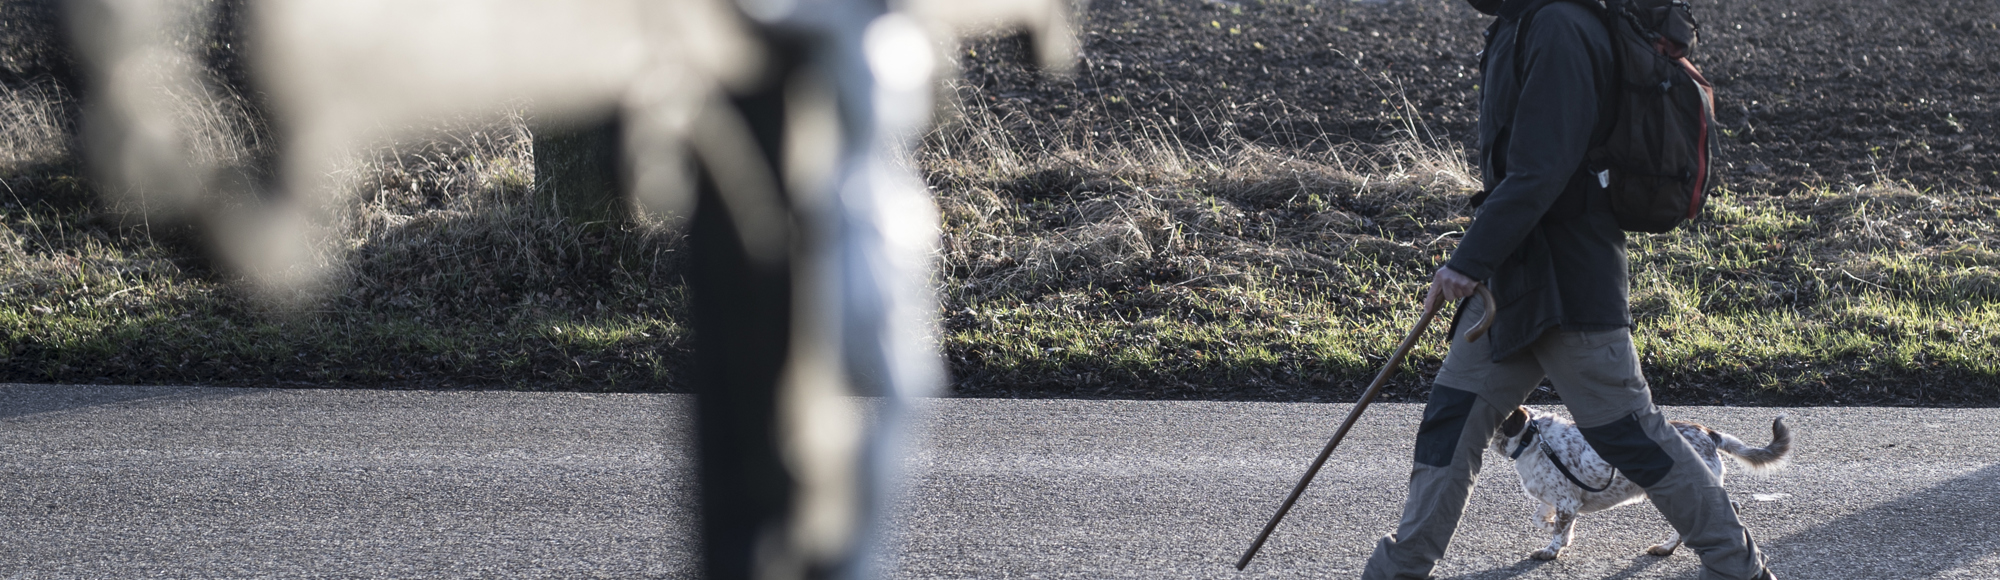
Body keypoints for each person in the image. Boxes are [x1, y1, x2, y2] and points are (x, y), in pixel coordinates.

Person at [1357, 0, 1776, 579]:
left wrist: (1468, 260)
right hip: (1512, 280)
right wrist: (1485, 259)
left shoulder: (1561, 27)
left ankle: (1740, 569)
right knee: (1450, 425)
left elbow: (1541, 169)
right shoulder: (1517, 23)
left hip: (1572, 279)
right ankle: (1396, 572)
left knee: (1630, 437)